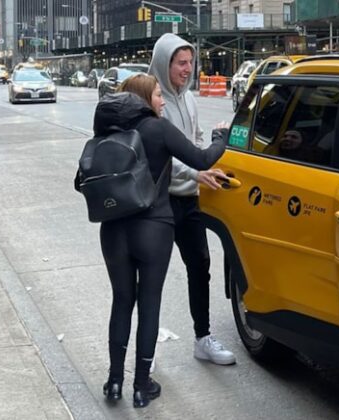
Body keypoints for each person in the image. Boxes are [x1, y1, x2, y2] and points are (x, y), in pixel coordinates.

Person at [90, 74, 227, 408]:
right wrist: (221, 136)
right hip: (153, 228)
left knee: (121, 301)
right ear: (144, 99)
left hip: (113, 230)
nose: (162, 100)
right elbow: (202, 159)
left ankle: (114, 381)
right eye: (156, 95)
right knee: (149, 304)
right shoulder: (157, 129)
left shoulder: (109, 132)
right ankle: (141, 385)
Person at [148, 33, 236, 365]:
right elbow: (161, 158)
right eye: (181, 63)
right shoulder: (153, 102)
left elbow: (195, 142)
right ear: (163, 63)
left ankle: (203, 338)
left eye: (190, 62)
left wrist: (199, 173)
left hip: (189, 201)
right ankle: (148, 349)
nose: (188, 69)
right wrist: (196, 173)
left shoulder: (189, 99)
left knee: (200, 267)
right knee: (152, 274)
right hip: (159, 203)